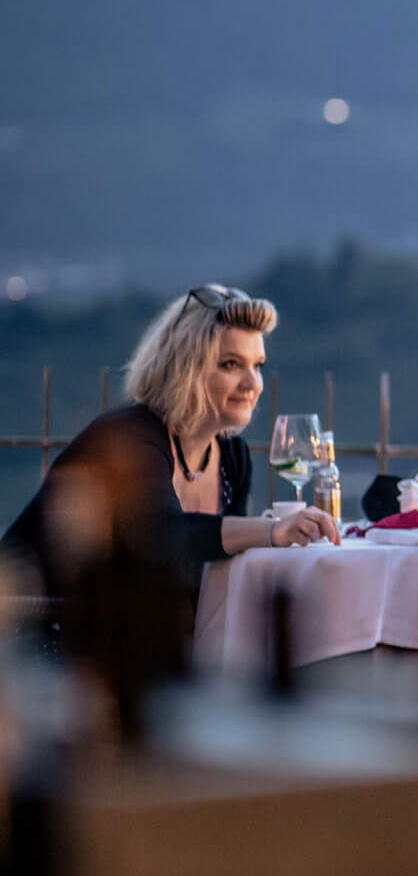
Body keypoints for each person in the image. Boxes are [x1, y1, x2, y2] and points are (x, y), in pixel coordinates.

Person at [1, 285, 336, 707]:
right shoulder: (129, 437)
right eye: (231, 364)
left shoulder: (232, 456)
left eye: (258, 365)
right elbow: (162, 536)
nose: (252, 383)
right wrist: (269, 531)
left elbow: (213, 570)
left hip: (136, 651)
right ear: (185, 369)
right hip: (42, 644)